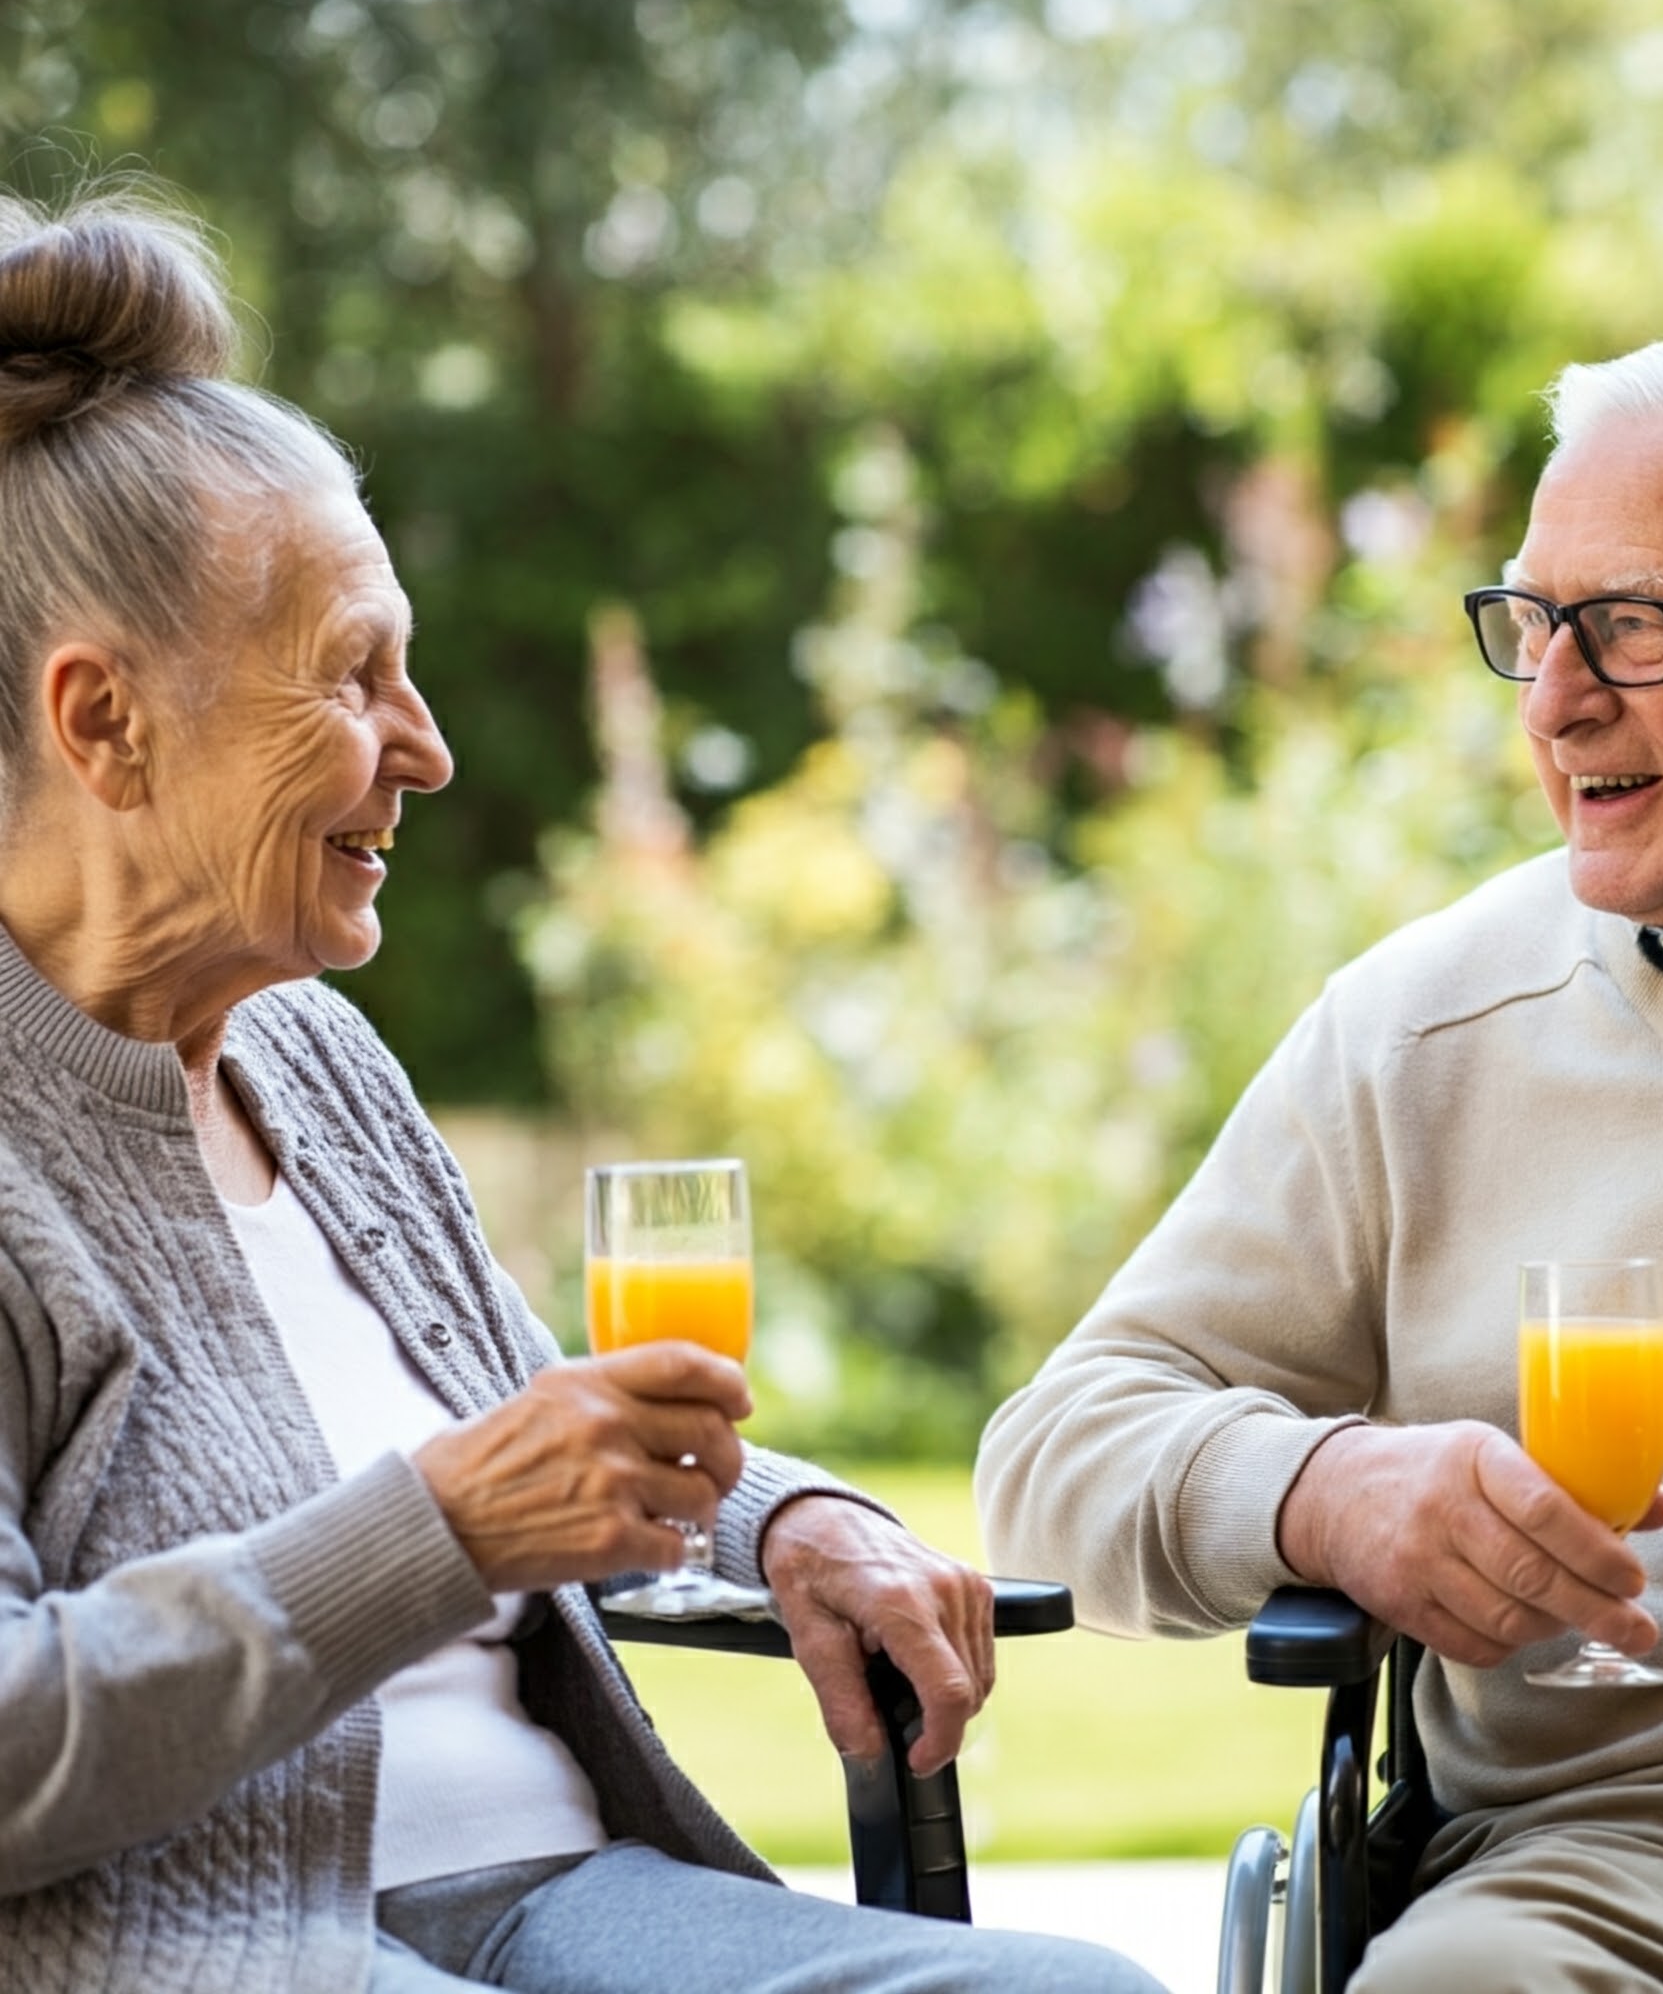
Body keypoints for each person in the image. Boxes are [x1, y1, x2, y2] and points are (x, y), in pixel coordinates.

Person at [0, 187, 1163, 1994]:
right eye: (352, 677)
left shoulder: (316, 1057)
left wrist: (784, 1516)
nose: (430, 746)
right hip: (206, 1945)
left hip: (563, 1893)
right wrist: (440, 1531)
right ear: (103, 725)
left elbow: (533, 1437)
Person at [977, 322, 1663, 1991]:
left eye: (1631, 626)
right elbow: (1053, 1457)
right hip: (1629, 1858)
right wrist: (1318, 1490)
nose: (1553, 702)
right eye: (1532, 624)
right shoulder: (1421, 1027)